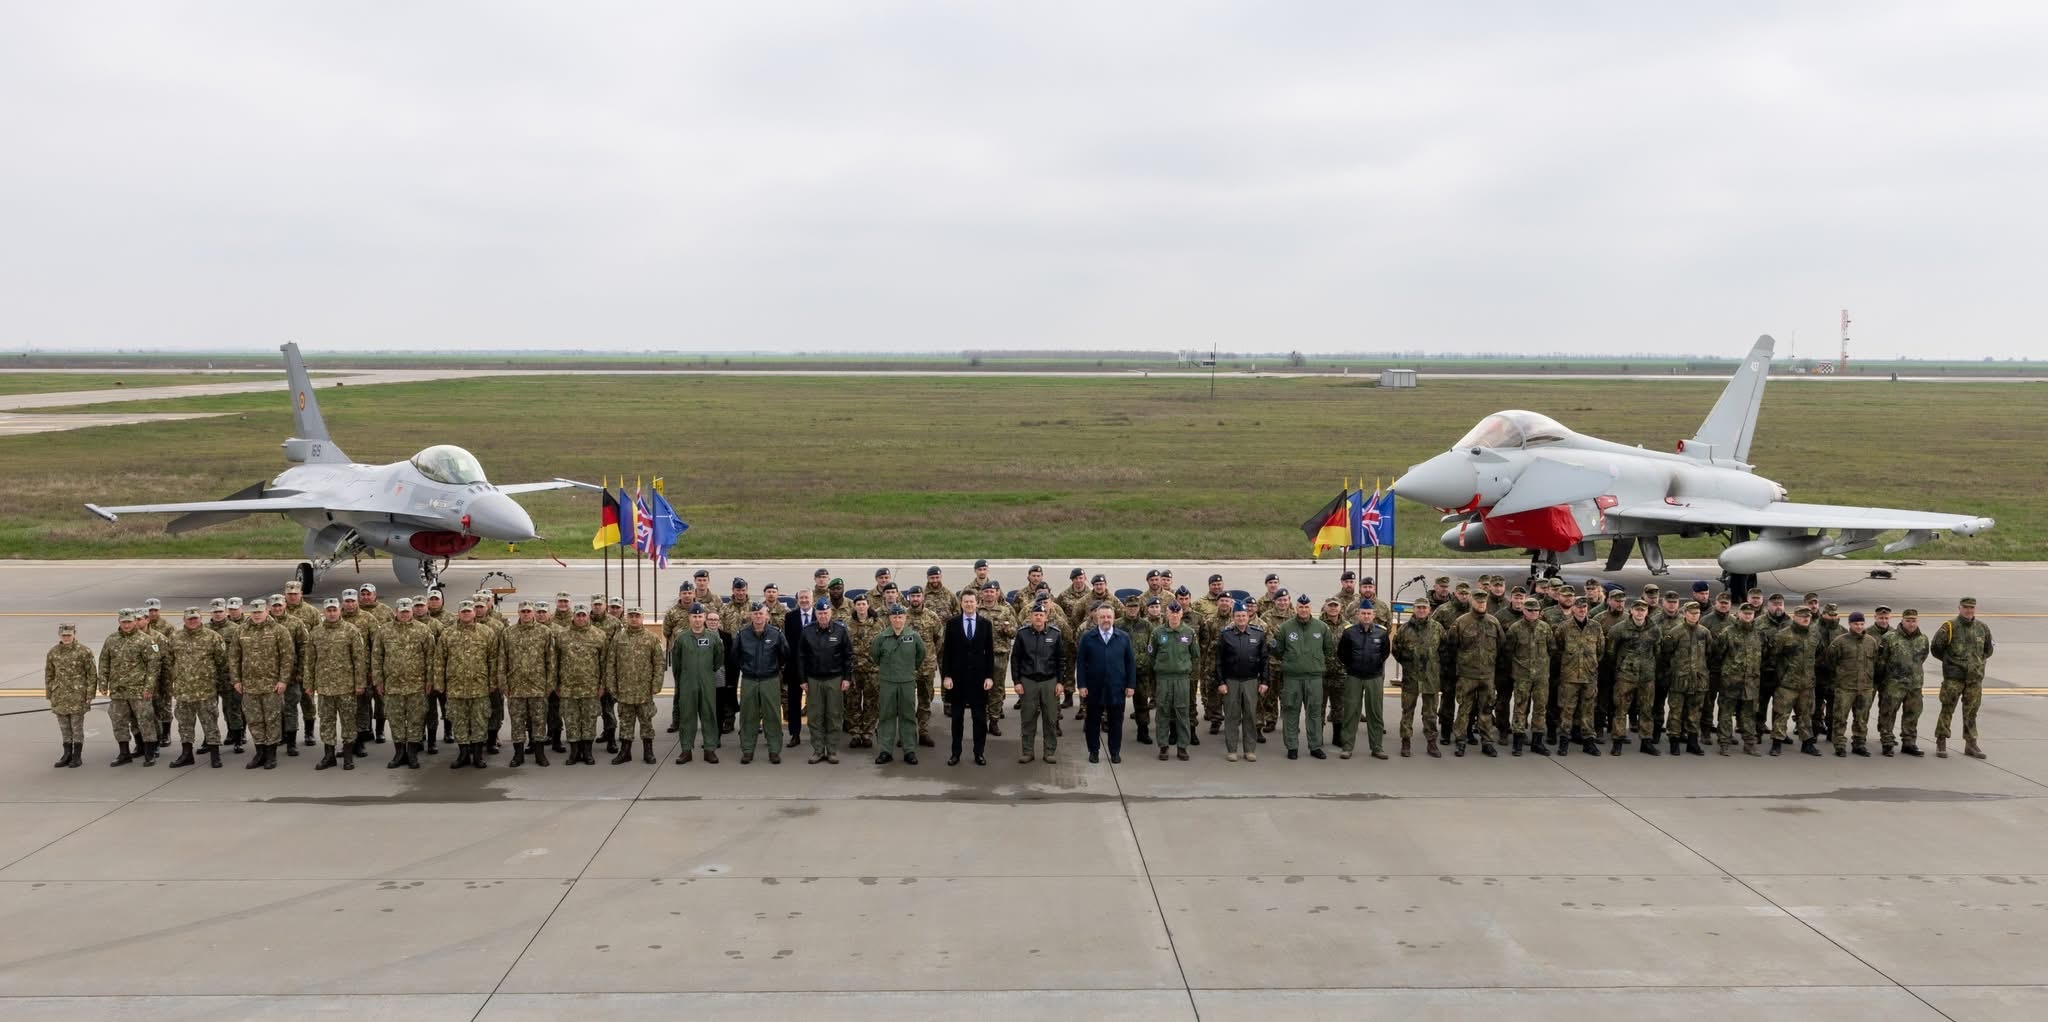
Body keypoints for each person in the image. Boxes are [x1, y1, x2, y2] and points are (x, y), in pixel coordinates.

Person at [230, 599, 294, 770]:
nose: (257, 615)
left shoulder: (279, 630)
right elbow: (234, 657)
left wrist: (283, 680)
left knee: (272, 719)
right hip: (249, 685)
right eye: (254, 612)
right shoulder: (241, 630)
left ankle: (271, 754)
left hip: (271, 685)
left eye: (260, 612)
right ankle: (260, 752)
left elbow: (287, 658)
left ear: (267, 611)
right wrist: (236, 679)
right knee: (254, 720)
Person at [438, 600, 500, 770]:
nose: (466, 614)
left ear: (475, 613)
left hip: (479, 687)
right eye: (463, 611)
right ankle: (463, 753)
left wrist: (493, 682)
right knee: (459, 721)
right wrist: (439, 683)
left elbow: (493, 660)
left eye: (469, 611)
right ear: (458, 613)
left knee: (479, 721)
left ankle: (478, 755)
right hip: (456, 687)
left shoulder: (486, 632)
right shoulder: (448, 634)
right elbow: (439, 661)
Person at [305, 599, 366, 771]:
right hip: (324, 688)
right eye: (328, 610)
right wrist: (309, 684)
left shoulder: (351, 630)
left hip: (346, 686)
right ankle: (329, 756)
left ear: (339, 610)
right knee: (326, 722)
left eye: (334, 610)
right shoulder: (316, 633)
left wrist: (360, 683)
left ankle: (348, 756)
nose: (331, 613)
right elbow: (309, 661)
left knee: (348, 722)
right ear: (323, 612)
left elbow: (359, 660)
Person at [166, 607, 230, 769]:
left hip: (205, 690)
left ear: (200, 618)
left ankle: (215, 755)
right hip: (183, 691)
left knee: (210, 723)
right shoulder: (175, 638)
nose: (193, 621)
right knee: (185, 725)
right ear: (184, 619)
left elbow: (222, 662)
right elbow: (169, 661)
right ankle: (187, 754)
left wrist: (217, 683)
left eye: (195, 618)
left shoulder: (213, 637)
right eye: (189, 619)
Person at [375, 597, 435, 769]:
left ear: (412, 612)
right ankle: (399, 752)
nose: (404, 614)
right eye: (401, 612)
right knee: (396, 720)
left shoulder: (423, 630)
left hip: (416, 685)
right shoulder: (384, 631)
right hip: (393, 685)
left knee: (416, 719)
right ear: (396, 612)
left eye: (407, 611)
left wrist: (430, 680)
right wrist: (379, 680)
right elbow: (377, 657)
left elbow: (431, 658)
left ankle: (412, 753)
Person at [1931, 597, 1994, 759]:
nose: (1968, 610)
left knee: (1971, 712)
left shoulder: (1982, 628)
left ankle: (1971, 743)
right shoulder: (1950, 627)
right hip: (1954, 678)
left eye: (1971, 608)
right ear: (1959, 608)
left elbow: (1988, 650)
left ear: (1975, 609)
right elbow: (1936, 648)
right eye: (1965, 607)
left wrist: (1976, 664)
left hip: (1974, 679)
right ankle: (1941, 740)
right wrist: (1951, 663)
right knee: (1947, 709)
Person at [941, 592, 996, 766]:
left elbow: (990, 654)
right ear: (961, 603)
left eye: (972, 601)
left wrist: (989, 676)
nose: (969, 604)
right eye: (966, 602)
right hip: (957, 680)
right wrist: (946, 676)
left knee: (979, 720)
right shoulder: (952, 624)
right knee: (957, 719)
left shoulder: (986, 624)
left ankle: (979, 753)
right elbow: (947, 652)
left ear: (977, 603)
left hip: (979, 680)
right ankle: (955, 753)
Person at [1076, 603, 1135, 764]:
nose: (1106, 620)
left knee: (1116, 722)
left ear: (1114, 618)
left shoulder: (1123, 637)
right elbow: (1080, 663)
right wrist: (1081, 685)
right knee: (1092, 722)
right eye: (1102, 617)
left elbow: (1130, 663)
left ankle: (1115, 751)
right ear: (1097, 618)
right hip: (1094, 687)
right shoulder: (1088, 637)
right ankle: (1093, 751)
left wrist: (1131, 685)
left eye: (1109, 617)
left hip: (1117, 687)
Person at [501, 601, 557, 768]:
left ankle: (540, 753)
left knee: (539, 721)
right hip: (515, 686)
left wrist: (550, 685)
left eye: (528, 611)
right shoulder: (508, 633)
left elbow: (551, 661)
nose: (526, 614)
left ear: (533, 613)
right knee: (517, 721)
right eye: (523, 611)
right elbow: (502, 660)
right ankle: (518, 754)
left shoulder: (545, 632)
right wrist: (503, 683)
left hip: (538, 686)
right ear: (518, 613)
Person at [734, 601, 792, 765]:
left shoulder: (776, 634)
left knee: (772, 715)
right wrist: (746, 668)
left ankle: (774, 750)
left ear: (766, 616)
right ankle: (747, 750)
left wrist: (774, 668)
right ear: (750, 616)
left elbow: (784, 654)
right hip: (749, 680)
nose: (758, 616)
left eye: (761, 613)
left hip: (770, 679)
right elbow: (735, 656)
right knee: (748, 716)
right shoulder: (742, 634)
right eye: (755, 614)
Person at [797, 599, 852, 765]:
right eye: (820, 613)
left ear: (831, 613)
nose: (823, 616)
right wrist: (802, 679)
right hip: (814, 680)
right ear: (816, 614)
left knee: (834, 716)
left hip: (834, 679)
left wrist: (847, 678)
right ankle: (818, 750)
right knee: (815, 717)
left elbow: (848, 656)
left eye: (825, 613)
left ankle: (832, 750)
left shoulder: (840, 631)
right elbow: (800, 657)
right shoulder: (807, 631)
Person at [1450, 591, 1505, 757]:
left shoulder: (1493, 622)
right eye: (1478, 602)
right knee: (1464, 709)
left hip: (1487, 675)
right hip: (1467, 675)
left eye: (1483, 602)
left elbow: (1501, 645)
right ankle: (1460, 741)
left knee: (1486, 710)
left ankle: (1487, 742)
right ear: (1472, 601)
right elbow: (1452, 646)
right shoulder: (1461, 622)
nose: (1481, 604)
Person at [608, 608, 665, 765]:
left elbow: (659, 664)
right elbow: (611, 663)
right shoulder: (618, 638)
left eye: (637, 616)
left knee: (646, 721)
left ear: (642, 618)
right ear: (627, 618)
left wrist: (656, 684)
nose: (634, 619)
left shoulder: (652, 638)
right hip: (624, 689)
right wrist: (611, 685)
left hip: (643, 690)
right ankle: (625, 752)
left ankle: (648, 751)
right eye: (631, 616)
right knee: (625, 721)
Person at [670, 604, 725, 764]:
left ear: (704, 618)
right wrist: (683, 679)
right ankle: (686, 750)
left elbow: (718, 660)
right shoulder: (681, 638)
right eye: (694, 616)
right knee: (687, 716)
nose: (697, 620)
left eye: (700, 616)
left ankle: (709, 750)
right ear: (689, 618)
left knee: (709, 715)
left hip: (707, 683)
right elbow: (677, 664)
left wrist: (706, 674)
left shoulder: (713, 637)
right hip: (687, 683)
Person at [1821, 611, 1882, 757]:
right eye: (1856, 624)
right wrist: (1841, 676)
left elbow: (1875, 661)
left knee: (1862, 718)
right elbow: (1830, 661)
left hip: (1865, 687)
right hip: (1845, 687)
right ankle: (1840, 744)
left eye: (1861, 624)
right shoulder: (1840, 641)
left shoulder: (1871, 641)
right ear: (1850, 624)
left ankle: (1859, 743)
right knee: (1840, 717)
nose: (1859, 627)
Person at [1012, 600, 1066, 764]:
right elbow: (1015, 659)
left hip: (1049, 681)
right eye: (1035, 615)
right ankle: (1027, 751)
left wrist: (1060, 682)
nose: (1038, 618)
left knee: (1050, 719)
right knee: (1027, 719)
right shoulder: (1022, 634)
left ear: (1046, 616)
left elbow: (1061, 660)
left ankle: (1049, 751)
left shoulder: (1055, 634)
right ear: (1030, 616)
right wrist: (1016, 681)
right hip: (1028, 681)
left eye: (1041, 615)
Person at [1334, 604, 1391, 760]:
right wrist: (1352, 666)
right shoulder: (1349, 632)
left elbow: (1385, 653)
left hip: (1374, 677)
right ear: (1358, 615)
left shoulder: (1382, 632)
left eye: (1369, 613)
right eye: (1363, 613)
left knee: (1375, 713)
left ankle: (1377, 747)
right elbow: (1342, 653)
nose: (1366, 616)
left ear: (1374, 615)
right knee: (1351, 712)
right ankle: (1347, 747)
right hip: (1354, 677)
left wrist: (1375, 667)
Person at [871, 604, 925, 765]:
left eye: (900, 616)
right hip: (888, 682)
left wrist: (909, 670)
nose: (897, 619)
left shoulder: (914, 636)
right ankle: (885, 750)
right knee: (886, 716)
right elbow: (875, 655)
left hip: (907, 682)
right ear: (889, 618)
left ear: (905, 618)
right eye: (894, 617)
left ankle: (909, 750)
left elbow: (920, 655)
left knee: (907, 716)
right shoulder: (881, 637)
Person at [556, 604, 608, 765]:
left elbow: (605, 663)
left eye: (583, 615)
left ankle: (587, 752)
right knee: (571, 721)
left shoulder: (599, 635)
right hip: (568, 688)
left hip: (590, 688)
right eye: (578, 615)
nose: (581, 618)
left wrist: (602, 685)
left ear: (588, 616)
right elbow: (554, 662)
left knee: (589, 720)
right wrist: (556, 685)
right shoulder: (562, 636)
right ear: (573, 617)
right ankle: (574, 752)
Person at [1607, 600, 1660, 755]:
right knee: (1621, 709)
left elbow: (1658, 651)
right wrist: (1621, 666)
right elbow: (1611, 652)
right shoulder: (1619, 629)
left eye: (1643, 610)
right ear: (1631, 611)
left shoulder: (1654, 629)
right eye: (1637, 610)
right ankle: (1618, 741)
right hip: (1626, 676)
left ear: (1647, 612)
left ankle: (1646, 741)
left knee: (1646, 709)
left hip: (1646, 676)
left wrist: (1649, 667)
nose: (1639, 613)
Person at [1214, 606, 1268, 762]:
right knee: (1231, 716)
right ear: (1233, 617)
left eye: (1244, 615)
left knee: (1250, 715)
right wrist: (1221, 682)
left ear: (1248, 616)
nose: (1241, 618)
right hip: (1231, 681)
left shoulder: (1258, 634)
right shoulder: (1226, 635)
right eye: (1238, 616)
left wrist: (1264, 681)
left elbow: (1264, 660)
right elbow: (1218, 661)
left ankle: (1249, 750)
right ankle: (1232, 750)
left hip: (1251, 681)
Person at [1551, 597, 1603, 756]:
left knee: (1588, 711)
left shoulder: (1595, 627)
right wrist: (1569, 664)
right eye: (1578, 607)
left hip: (1589, 676)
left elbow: (1600, 650)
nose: (1581, 610)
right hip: (1570, 677)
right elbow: (1557, 649)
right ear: (1573, 608)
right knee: (1567, 710)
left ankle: (1589, 742)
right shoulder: (1564, 627)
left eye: (1584, 607)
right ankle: (1564, 742)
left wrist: (1590, 664)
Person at [1712, 603, 1765, 756]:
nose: (1748, 616)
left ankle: (1750, 744)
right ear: (1738, 614)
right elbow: (1718, 655)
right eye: (1745, 613)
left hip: (1751, 682)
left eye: (1751, 613)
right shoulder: (1727, 633)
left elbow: (1765, 654)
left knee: (1749, 715)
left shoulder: (1759, 634)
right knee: (1726, 713)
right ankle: (1725, 743)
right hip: (1731, 681)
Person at [1769, 607, 1823, 756]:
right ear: (1794, 617)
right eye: (1802, 616)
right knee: (1782, 714)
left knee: (1806, 715)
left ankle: (1807, 744)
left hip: (1807, 683)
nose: (1805, 619)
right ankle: (1777, 743)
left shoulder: (1814, 634)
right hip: (1787, 684)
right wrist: (1782, 675)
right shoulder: (1783, 635)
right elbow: (1773, 656)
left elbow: (1819, 654)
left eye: (1808, 616)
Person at [1503, 600, 1555, 756]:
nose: (1533, 613)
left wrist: (1542, 665)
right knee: (1520, 707)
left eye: (1536, 610)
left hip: (1541, 675)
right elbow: (1508, 652)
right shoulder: (1515, 628)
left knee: (1540, 708)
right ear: (1524, 611)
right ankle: (1518, 741)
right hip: (1522, 675)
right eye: (1530, 610)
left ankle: (1537, 742)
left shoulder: (1545, 628)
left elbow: (1552, 649)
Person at [1391, 600, 1442, 758]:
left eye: (1424, 608)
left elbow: (1445, 648)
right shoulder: (1405, 629)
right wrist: (1407, 663)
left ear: (1429, 610)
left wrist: (1436, 665)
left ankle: (1431, 743)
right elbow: (1396, 648)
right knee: (1407, 711)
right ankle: (1406, 742)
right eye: (1418, 608)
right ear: (1413, 609)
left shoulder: (1437, 628)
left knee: (1430, 713)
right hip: (1411, 677)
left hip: (1431, 677)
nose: (1421, 610)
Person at [1660, 603, 1712, 756]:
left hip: (1698, 679)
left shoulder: (1704, 632)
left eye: (1697, 613)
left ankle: (1692, 742)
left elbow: (1710, 653)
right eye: (1691, 613)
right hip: (1679, 680)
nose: (1694, 616)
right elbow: (1665, 654)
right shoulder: (1675, 633)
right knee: (1676, 712)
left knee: (1694, 712)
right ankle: (1674, 742)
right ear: (1685, 614)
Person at [1149, 601, 1198, 760]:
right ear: (1166, 613)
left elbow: (1195, 655)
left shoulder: (1189, 632)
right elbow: (1152, 655)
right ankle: (1163, 746)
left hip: (1182, 678)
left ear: (1182, 614)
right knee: (1162, 711)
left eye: (1178, 612)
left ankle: (1182, 746)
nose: (1175, 615)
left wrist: (1190, 674)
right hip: (1163, 679)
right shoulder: (1158, 633)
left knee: (1182, 711)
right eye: (1172, 612)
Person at [1878, 608, 1930, 757]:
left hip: (1915, 684)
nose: (1911, 624)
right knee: (1888, 713)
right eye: (1908, 621)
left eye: (1914, 621)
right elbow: (1882, 661)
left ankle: (1909, 742)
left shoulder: (1923, 639)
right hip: (1894, 683)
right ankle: (1887, 742)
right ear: (1902, 620)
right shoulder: (1890, 638)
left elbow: (1923, 656)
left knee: (1912, 714)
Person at [45, 623, 97, 768]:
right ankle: (66, 754)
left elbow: (92, 674)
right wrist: (50, 693)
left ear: (74, 634)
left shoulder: (84, 651)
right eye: (64, 635)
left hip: (77, 696)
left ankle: (77, 756)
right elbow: (49, 674)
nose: (66, 637)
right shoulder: (53, 652)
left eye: (69, 635)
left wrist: (90, 694)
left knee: (76, 727)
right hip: (60, 695)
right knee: (64, 727)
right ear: (59, 635)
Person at [842, 594, 881, 749]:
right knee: (853, 703)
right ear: (854, 606)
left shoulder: (878, 624)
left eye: (864, 604)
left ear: (868, 605)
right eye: (858, 604)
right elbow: (843, 646)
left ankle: (867, 733)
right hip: (853, 670)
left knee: (872, 703)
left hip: (873, 670)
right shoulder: (847, 624)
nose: (861, 607)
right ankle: (855, 733)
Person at [782, 590, 819, 749]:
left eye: (807, 598)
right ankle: (795, 734)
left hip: (815, 668)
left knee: (816, 703)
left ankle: (816, 734)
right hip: (795, 667)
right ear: (797, 600)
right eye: (801, 598)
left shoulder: (820, 615)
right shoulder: (790, 617)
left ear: (812, 599)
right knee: (793, 702)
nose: (804, 600)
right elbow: (788, 643)